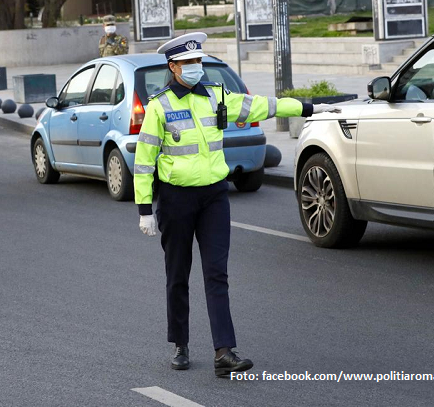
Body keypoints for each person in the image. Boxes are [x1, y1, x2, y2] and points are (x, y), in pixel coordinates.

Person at [133, 32, 341, 377]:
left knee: (217, 273)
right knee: (177, 275)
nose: (195, 67)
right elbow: (144, 160)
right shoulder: (160, 106)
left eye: (198, 61)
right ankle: (180, 344)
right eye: (188, 63)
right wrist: (144, 209)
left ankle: (224, 352)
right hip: (176, 199)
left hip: (215, 195)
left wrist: (308, 107)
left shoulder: (217, 96)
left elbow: (261, 105)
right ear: (173, 66)